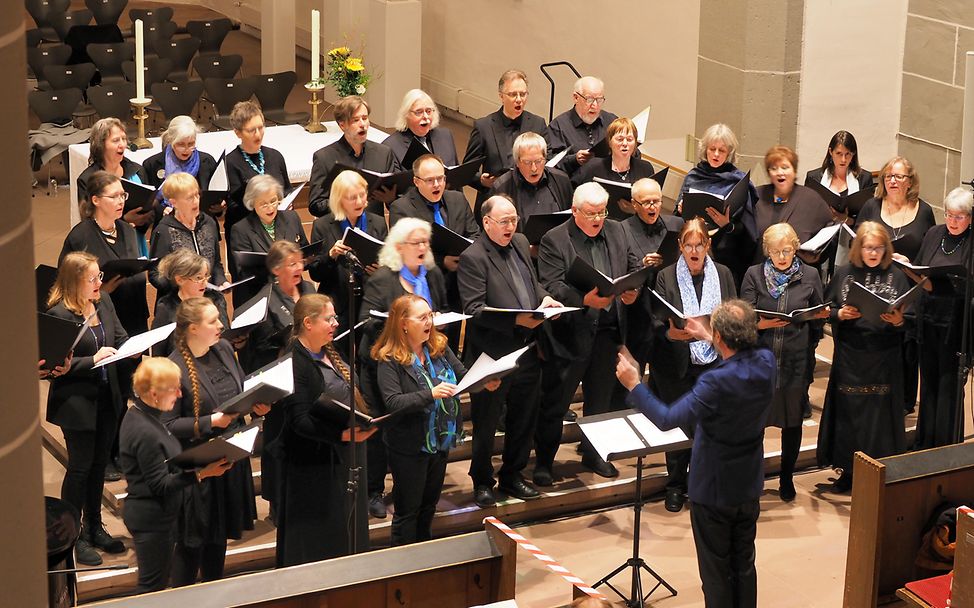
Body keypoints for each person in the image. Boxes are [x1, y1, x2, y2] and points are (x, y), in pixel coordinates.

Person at [616, 300, 775, 608]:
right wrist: (707, 336)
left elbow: (666, 418)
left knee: (716, 573)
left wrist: (635, 385)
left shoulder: (715, 382)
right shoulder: (767, 362)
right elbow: (739, 357)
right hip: (748, 484)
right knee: (743, 565)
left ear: (721, 338)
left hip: (714, 489)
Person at [458, 195, 564, 506]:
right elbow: (474, 309)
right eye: (503, 221)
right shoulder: (473, 257)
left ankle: (513, 474)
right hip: (492, 355)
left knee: (524, 418)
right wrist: (518, 320)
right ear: (486, 222)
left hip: (528, 349)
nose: (510, 226)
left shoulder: (519, 242)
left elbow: (531, 283)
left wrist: (544, 299)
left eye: (514, 219)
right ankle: (481, 480)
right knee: (487, 422)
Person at [373, 295, 498, 545]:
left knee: (429, 506)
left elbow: (463, 378)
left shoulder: (438, 346)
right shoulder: (389, 359)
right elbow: (394, 403)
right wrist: (430, 393)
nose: (429, 321)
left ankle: (425, 557)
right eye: (422, 317)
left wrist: (484, 381)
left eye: (430, 315)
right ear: (403, 324)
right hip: (409, 446)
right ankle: (403, 565)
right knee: (408, 511)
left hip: (439, 441)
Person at [536, 182, 640, 481]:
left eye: (602, 212)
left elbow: (631, 267)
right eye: (591, 213)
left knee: (600, 402)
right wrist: (584, 300)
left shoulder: (618, 231)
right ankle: (544, 462)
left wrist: (633, 290)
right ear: (574, 210)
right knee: (556, 404)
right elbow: (551, 284)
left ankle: (595, 454)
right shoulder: (555, 239)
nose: (597, 219)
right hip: (570, 334)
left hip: (608, 333)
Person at [163, 297, 267, 585]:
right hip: (198, 468)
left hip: (229, 458)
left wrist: (257, 404)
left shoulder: (222, 348)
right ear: (193, 328)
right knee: (191, 547)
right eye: (213, 321)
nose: (222, 325)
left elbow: (239, 390)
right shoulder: (173, 368)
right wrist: (210, 422)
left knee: (217, 543)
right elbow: (167, 425)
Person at [357, 218, 448, 519]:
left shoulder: (432, 275)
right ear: (399, 247)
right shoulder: (383, 279)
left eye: (425, 241)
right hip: (384, 367)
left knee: (414, 427)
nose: (423, 247)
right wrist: (397, 323)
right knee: (384, 430)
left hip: (420, 364)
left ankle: (406, 487)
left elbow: (442, 309)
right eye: (416, 242)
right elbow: (366, 324)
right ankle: (373, 491)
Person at [118, 357, 231, 593]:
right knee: (152, 589)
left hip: (158, 515)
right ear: (153, 393)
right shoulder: (145, 430)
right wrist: (202, 473)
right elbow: (160, 484)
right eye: (174, 389)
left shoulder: (143, 415)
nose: (180, 395)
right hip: (151, 519)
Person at [45, 251, 129, 566]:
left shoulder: (104, 303)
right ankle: (74, 534)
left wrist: (130, 349)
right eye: (92, 278)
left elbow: (119, 336)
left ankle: (95, 526)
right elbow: (54, 364)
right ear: (74, 282)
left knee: (98, 467)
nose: (99, 283)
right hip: (77, 403)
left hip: (108, 397)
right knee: (80, 469)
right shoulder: (59, 315)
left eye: (99, 277)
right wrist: (92, 360)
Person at [275, 294, 368, 566]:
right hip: (312, 465)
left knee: (347, 530)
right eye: (329, 318)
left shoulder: (330, 352)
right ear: (308, 323)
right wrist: (341, 435)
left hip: (343, 456)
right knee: (319, 542)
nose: (336, 323)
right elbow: (298, 420)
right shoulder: (294, 361)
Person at [651, 218, 737, 512]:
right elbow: (656, 319)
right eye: (688, 245)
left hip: (713, 364)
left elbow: (734, 315)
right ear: (680, 247)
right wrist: (669, 333)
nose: (694, 251)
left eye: (699, 244)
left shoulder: (723, 274)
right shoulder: (665, 276)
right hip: (678, 364)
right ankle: (675, 485)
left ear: (708, 245)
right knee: (679, 428)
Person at [817, 222, 910, 492]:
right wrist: (840, 314)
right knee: (850, 414)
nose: (873, 253)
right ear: (859, 248)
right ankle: (848, 471)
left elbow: (910, 317)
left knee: (878, 416)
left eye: (879, 248)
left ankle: (878, 470)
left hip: (884, 355)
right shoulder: (845, 273)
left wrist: (898, 320)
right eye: (868, 247)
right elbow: (826, 308)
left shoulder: (897, 275)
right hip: (851, 355)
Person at [740, 223, 827, 501]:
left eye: (787, 250)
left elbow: (817, 319)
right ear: (767, 251)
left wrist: (811, 323)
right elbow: (742, 316)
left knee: (792, 424)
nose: (781, 257)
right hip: (759, 362)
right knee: (755, 426)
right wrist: (761, 324)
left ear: (796, 247)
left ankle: (786, 477)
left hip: (794, 361)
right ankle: (752, 477)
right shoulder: (754, 274)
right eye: (775, 251)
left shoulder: (811, 275)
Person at [856, 157, 935, 414]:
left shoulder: (923, 211)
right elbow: (856, 244)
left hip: (908, 287)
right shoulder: (871, 206)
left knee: (907, 345)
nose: (892, 180)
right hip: (875, 284)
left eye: (899, 176)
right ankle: (874, 394)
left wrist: (910, 262)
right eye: (889, 176)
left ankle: (903, 402)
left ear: (910, 181)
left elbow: (930, 251)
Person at [390, 153, 480, 348]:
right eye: (430, 180)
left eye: (440, 178)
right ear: (416, 181)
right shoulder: (402, 208)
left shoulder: (457, 199)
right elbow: (405, 253)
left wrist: (464, 256)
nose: (437, 185)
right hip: (426, 288)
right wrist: (442, 261)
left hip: (459, 284)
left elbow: (475, 235)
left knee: (452, 343)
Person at [907, 187, 974, 449]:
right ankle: (925, 442)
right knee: (930, 384)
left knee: (949, 386)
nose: (953, 221)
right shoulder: (935, 234)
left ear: (970, 217)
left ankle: (946, 447)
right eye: (949, 215)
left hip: (956, 326)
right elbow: (922, 264)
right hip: (929, 320)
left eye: (959, 217)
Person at [60, 170, 149, 336]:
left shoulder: (127, 230)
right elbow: (66, 285)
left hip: (135, 317)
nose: (121, 201)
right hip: (102, 321)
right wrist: (101, 292)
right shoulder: (80, 237)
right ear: (96, 200)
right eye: (114, 196)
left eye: (123, 195)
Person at [620, 178, 684, 392]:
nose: (653, 206)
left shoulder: (675, 224)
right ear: (634, 204)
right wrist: (642, 264)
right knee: (631, 381)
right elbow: (619, 271)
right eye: (646, 202)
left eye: (656, 201)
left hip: (667, 316)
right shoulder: (621, 230)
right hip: (637, 316)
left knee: (666, 382)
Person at [677, 123, 759, 287]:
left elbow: (748, 232)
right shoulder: (693, 176)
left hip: (726, 257)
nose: (715, 154)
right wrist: (680, 210)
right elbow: (676, 221)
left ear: (729, 153)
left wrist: (727, 225)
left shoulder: (739, 182)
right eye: (712, 148)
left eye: (721, 150)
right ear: (705, 149)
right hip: (693, 254)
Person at [307, 170, 388, 332]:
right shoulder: (322, 226)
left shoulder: (377, 222)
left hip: (371, 300)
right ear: (339, 200)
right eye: (352, 197)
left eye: (362, 195)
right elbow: (315, 273)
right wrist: (331, 256)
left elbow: (389, 263)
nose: (359, 201)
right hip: (338, 305)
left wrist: (381, 271)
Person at [463, 69, 547, 213]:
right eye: (513, 94)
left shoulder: (538, 124)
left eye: (523, 94)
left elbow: (548, 160)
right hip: (494, 202)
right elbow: (467, 170)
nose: (519, 99)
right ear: (501, 96)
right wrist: (482, 181)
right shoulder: (484, 127)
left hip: (530, 201)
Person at [228, 174, 309, 306]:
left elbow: (305, 250)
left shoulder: (292, 218)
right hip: (262, 297)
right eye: (263, 204)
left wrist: (304, 260)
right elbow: (243, 273)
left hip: (294, 293)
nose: (270, 207)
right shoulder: (241, 229)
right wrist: (278, 268)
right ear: (252, 203)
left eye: (273, 201)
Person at [308, 95, 396, 217]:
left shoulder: (383, 154)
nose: (363, 124)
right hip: (339, 230)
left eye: (365, 118)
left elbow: (396, 202)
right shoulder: (324, 158)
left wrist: (391, 198)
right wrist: (343, 201)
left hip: (374, 230)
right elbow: (315, 205)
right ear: (342, 125)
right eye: (355, 120)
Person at [77, 117, 153, 253]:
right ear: (101, 144)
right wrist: (124, 220)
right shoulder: (87, 179)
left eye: (124, 139)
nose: (122, 145)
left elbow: (150, 206)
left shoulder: (137, 170)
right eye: (116, 140)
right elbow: (88, 221)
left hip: (135, 241)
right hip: (104, 246)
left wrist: (145, 218)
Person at [239, 240, 315, 374]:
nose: (299, 267)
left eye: (301, 262)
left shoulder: (308, 288)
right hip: (287, 368)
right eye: (292, 264)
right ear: (276, 269)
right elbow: (264, 349)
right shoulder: (265, 301)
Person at [149, 173, 230, 296]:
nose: (196, 201)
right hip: (179, 303)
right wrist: (182, 284)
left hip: (211, 300)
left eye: (197, 195)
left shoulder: (209, 222)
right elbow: (155, 275)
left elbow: (216, 263)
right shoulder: (163, 231)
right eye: (189, 198)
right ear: (173, 202)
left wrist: (221, 282)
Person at [754, 146, 833, 264]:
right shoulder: (757, 197)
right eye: (774, 168)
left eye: (785, 167)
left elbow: (829, 233)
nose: (780, 173)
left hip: (801, 275)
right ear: (769, 173)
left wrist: (818, 255)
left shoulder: (811, 199)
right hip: (761, 272)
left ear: (794, 171)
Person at [224, 101, 290, 238]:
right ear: (238, 133)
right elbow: (233, 206)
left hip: (278, 229)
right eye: (251, 130)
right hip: (247, 234)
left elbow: (287, 189)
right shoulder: (230, 163)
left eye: (261, 128)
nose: (258, 134)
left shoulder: (275, 156)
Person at [151, 249, 229, 357]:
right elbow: (158, 354)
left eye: (206, 276)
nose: (205, 283)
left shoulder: (215, 298)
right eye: (198, 278)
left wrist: (239, 343)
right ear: (180, 280)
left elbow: (226, 338)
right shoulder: (166, 307)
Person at [571, 117, 657, 215]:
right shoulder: (593, 167)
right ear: (610, 142)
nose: (625, 144)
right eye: (620, 139)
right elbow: (575, 195)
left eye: (629, 139)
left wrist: (636, 211)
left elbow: (653, 206)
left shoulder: (645, 169)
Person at [142, 115, 221, 218]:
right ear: (171, 140)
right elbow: (148, 203)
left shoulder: (207, 162)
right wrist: (162, 210)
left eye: (191, 144)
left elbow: (215, 197)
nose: (187, 149)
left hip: (202, 220)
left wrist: (219, 207)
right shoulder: (152, 164)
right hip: (166, 223)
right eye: (181, 144)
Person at [488, 132, 573, 224]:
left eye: (538, 161)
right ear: (517, 162)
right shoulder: (502, 187)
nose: (534, 168)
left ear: (545, 158)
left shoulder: (561, 180)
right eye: (527, 162)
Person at [547, 76, 619, 177]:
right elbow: (551, 164)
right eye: (589, 99)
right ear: (576, 98)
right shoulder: (558, 126)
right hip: (576, 187)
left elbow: (635, 154)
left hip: (611, 180)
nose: (595, 105)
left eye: (599, 100)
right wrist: (574, 159)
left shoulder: (611, 121)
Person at [383, 88, 459, 169]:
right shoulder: (391, 147)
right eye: (419, 112)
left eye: (428, 111)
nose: (426, 117)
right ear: (406, 115)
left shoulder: (445, 135)